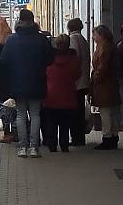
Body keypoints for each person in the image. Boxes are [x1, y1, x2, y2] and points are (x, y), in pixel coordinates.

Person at [0, 9, 54, 158]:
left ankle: (22, 147)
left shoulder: (12, 40)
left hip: (18, 83)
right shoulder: (41, 39)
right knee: (36, 114)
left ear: (19, 21)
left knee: (21, 115)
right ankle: (34, 148)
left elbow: (3, 60)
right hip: (37, 82)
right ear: (33, 21)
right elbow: (50, 59)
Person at [43, 34, 81, 152]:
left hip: (51, 95)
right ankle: (64, 145)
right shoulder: (73, 58)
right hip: (68, 94)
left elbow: (44, 74)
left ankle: (52, 146)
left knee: (51, 123)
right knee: (65, 123)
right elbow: (77, 74)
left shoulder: (49, 58)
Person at [91, 25, 121, 150]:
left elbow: (102, 67)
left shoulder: (104, 48)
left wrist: (95, 79)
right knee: (113, 112)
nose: (93, 37)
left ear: (101, 35)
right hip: (111, 84)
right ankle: (113, 136)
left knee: (105, 112)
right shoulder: (110, 46)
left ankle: (107, 137)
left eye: (95, 35)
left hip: (104, 85)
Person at [67, 18, 91, 146]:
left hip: (77, 82)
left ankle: (77, 138)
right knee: (80, 111)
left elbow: (74, 58)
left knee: (75, 112)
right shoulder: (83, 39)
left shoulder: (73, 39)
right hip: (84, 81)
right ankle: (80, 137)